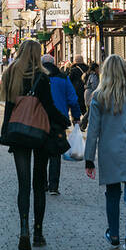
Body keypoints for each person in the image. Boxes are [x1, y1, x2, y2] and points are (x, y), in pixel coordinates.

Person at [0, 40, 68, 250]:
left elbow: (9, 107)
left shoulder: (11, 74)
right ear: (38, 55)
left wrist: (5, 133)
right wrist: (64, 121)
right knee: (39, 185)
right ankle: (38, 232)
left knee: (23, 185)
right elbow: (48, 108)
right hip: (39, 134)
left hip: (18, 132)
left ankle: (23, 231)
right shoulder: (42, 77)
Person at [83, 55, 126, 250]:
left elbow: (93, 130)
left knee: (112, 195)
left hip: (109, 152)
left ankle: (113, 235)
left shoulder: (99, 96)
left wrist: (89, 159)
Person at [41, 54, 81, 195]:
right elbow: (73, 99)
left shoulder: (38, 76)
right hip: (59, 120)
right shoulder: (63, 78)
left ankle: (42, 184)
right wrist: (76, 117)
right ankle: (53, 186)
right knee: (55, 152)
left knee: (41, 152)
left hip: (40, 119)